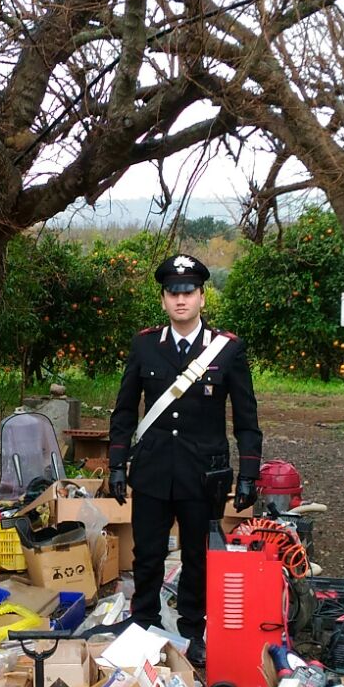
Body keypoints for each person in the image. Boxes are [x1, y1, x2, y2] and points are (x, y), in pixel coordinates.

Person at [108, 253, 262, 663]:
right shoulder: (145, 345)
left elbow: (247, 418)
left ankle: (193, 628)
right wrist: (116, 464)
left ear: (202, 297)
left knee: (198, 556)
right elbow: (124, 410)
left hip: (203, 473)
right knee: (148, 553)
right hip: (154, 470)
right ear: (163, 300)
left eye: (188, 292)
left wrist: (249, 473)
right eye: (173, 293)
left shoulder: (227, 350)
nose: (181, 300)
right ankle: (143, 622)